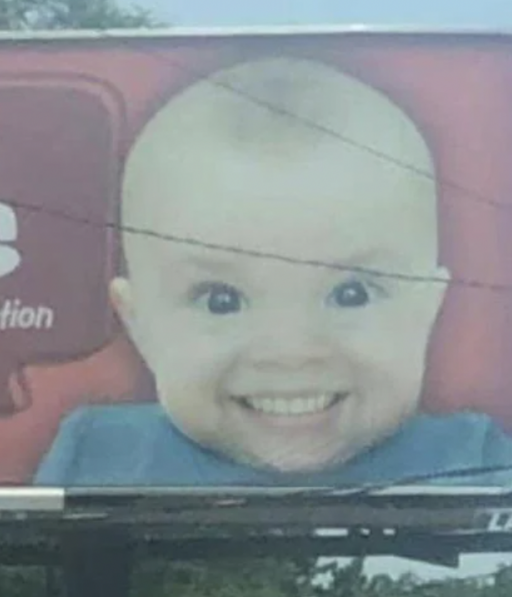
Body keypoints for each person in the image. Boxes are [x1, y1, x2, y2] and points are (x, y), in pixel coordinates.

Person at [35, 56, 512, 488]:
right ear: (137, 322)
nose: (291, 351)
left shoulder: (476, 464)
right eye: (221, 299)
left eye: (351, 294)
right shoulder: (96, 458)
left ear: (428, 308)